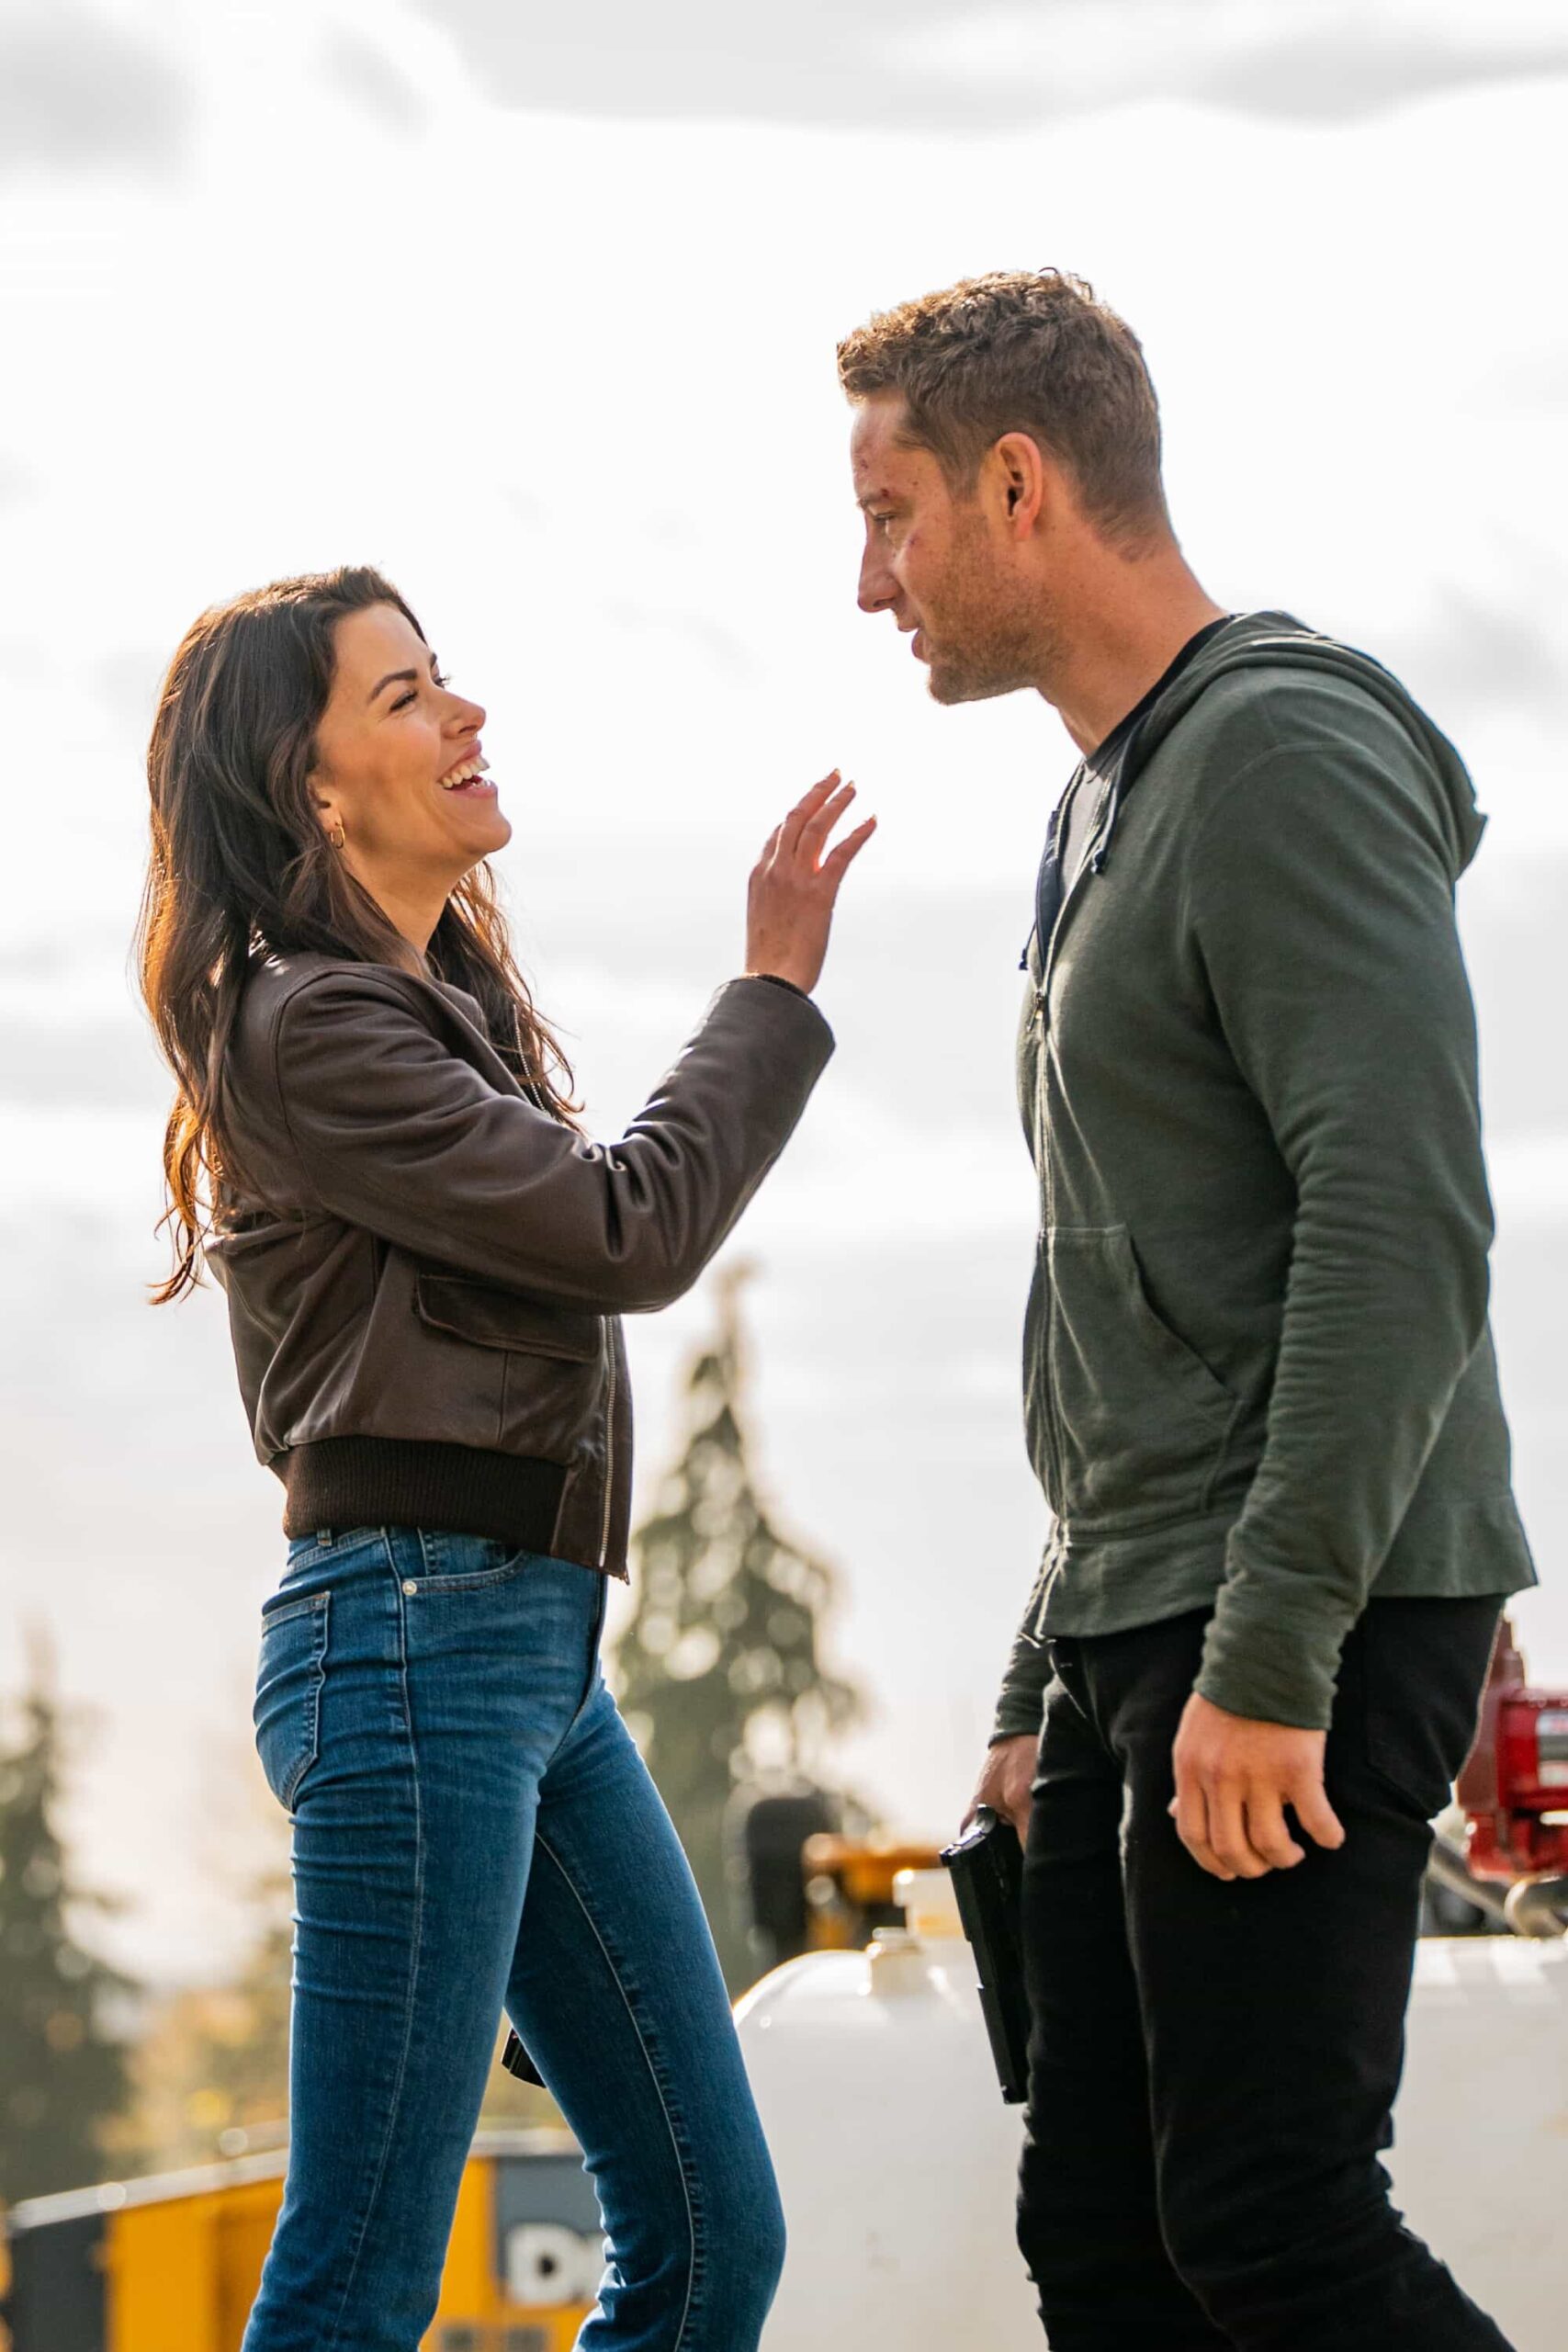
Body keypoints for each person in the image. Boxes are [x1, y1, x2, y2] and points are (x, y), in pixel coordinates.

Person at [838, 271, 1535, 2350]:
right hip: (1137, 1615)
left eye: (889, 513)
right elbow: (1121, 1305)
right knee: (1111, 2246)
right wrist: (1028, 1689)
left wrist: (1270, 1648)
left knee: (1268, 2220)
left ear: (1018, 483)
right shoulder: (1102, 805)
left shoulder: (1283, 755)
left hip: (1295, 1612)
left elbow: (1395, 1221)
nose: (867, 578)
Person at [135, 563, 874, 2352]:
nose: (460, 713)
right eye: (402, 696)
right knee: (360, 2278)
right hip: (405, 1645)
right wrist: (769, 985)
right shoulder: (313, 1025)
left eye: (442, 678)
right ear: (311, 788)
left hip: (522, 1658)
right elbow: (629, 1226)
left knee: (708, 2236)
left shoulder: (419, 1013)